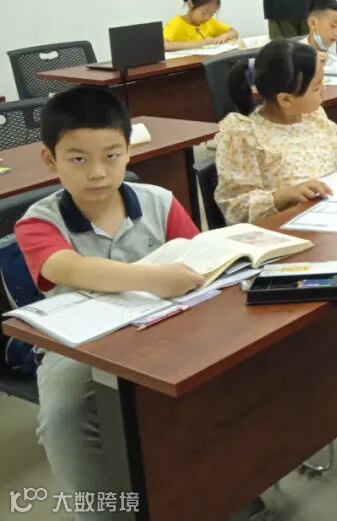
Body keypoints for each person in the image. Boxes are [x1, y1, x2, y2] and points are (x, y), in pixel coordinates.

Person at [13, 87, 203, 514]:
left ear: (129, 151)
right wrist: (153, 279)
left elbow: (200, 259)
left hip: (166, 326)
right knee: (62, 416)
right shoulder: (38, 222)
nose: (97, 173)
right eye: (78, 159)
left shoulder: (160, 201)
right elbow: (69, 269)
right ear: (50, 160)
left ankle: (223, 491)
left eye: (112, 156)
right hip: (80, 346)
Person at [215, 41, 337, 224]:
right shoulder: (245, 135)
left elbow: (331, 169)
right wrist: (285, 195)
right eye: (316, 87)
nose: (324, 90)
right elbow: (235, 209)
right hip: (284, 229)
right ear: (285, 99)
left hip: (330, 216)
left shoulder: (313, 118)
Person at [162, 0, 238, 52]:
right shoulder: (177, 23)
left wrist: (224, 36)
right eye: (204, 13)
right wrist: (199, 44)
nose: (207, 17)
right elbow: (164, 45)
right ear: (190, 4)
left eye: (212, 14)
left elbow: (233, 32)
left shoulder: (209, 22)